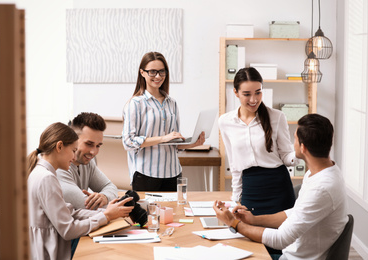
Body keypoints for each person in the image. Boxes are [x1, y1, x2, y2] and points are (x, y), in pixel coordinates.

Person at [213, 114, 348, 260]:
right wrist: (254, 219)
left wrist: (233, 223)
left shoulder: (322, 188)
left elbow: (280, 239)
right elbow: (296, 212)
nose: (292, 143)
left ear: (303, 148)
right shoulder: (323, 171)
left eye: (295, 139)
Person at [28, 122, 133, 260]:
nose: (73, 157)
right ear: (59, 146)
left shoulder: (41, 172)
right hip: (50, 253)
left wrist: (106, 213)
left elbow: (70, 212)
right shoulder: (47, 178)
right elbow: (68, 230)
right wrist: (105, 217)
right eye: (73, 150)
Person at [218, 67, 298, 215]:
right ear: (235, 92)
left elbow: (286, 155)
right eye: (247, 94)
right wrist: (236, 198)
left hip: (278, 189)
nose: (254, 100)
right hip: (250, 189)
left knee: (280, 236)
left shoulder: (277, 117)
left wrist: (300, 154)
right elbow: (235, 164)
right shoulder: (225, 122)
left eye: (258, 92)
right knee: (246, 235)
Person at [122, 51, 205, 191]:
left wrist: (193, 144)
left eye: (162, 72)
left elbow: (173, 144)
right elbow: (128, 141)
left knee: (175, 213)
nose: (158, 76)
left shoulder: (172, 103)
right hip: (146, 174)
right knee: (148, 213)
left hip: (173, 173)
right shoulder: (135, 104)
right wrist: (163, 138)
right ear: (142, 73)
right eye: (152, 72)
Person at [57, 112, 118, 210]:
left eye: (98, 146)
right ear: (72, 139)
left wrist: (104, 197)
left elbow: (109, 186)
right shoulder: (59, 168)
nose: (93, 152)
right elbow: (88, 207)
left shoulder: (87, 162)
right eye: (89, 144)